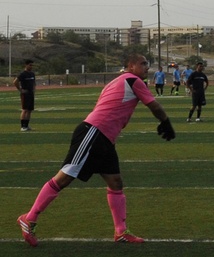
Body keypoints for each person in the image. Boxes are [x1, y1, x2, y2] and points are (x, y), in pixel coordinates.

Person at [16, 53, 175, 247]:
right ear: (131, 66)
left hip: (104, 137)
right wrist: (166, 122)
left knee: (115, 182)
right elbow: (154, 106)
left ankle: (121, 232)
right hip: (93, 133)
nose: (146, 67)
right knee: (65, 177)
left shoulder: (118, 81)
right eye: (143, 64)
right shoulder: (133, 80)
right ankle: (29, 218)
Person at [13, 59, 36, 132]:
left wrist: (34, 90)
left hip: (30, 93)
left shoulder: (32, 74)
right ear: (26, 65)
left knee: (29, 110)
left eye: (32, 65)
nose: (31, 66)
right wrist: (20, 90)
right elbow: (15, 82)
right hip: (25, 94)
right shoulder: (22, 74)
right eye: (30, 65)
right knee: (25, 109)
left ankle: (27, 125)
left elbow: (34, 83)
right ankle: (22, 126)